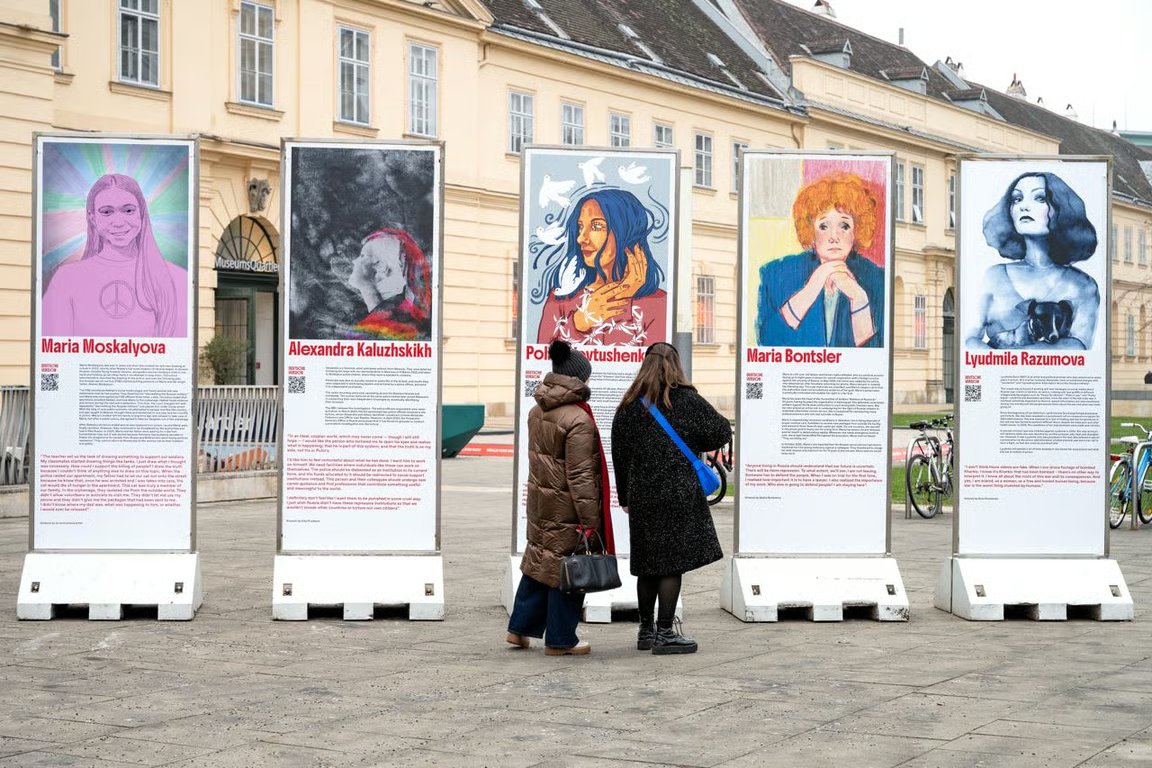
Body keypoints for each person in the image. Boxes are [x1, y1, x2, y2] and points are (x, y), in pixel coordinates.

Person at [611, 342, 731, 655]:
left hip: (642, 496)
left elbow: (619, 457)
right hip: (678, 494)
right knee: (670, 565)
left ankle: (645, 631)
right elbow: (721, 431)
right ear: (675, 366)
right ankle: (665, 632)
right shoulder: (686, 399)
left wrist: (625, 496)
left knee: (647, 563)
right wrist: (694, 440)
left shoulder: (627, 407)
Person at [507, 339, 612, 656]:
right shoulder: (578, 419)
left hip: (542, 501)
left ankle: (519, 629)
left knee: (539, 560)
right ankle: (561, 640)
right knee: (568, 570)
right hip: (567, 506)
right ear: (579, 378)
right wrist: (590, 521)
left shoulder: (537, 410)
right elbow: (580, 476)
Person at [965, 172, 1099, 350]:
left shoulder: (1083, 285)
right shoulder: (993, 276)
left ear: (1061, 209)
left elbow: (1078, 347)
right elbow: (969, 340)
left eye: (1040, 198)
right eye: (1017, 199)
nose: (1024, 207)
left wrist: (1008, 357)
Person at [42, 173, 186, 337]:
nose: (118, 222)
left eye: (128, 210)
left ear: (141, 212)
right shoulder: (66, 279)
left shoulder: (176, 278)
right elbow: (53, 345)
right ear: (93, 218)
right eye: (107, 212)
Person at [756, 172, 884, 348]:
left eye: (844, 226)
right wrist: (811, 288)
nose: (834, 237)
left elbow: (877, 357)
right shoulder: (777, 274)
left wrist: (859, 300)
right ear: (810, 230)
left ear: (857, 230)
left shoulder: (877, 280)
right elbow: (766, 342)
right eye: (824, 226)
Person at [533, 188, 667, 346]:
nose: (581, 238)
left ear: (625, 232)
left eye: (596, 226)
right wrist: (579, 322)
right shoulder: (560, 299)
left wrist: (623, 299)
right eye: (580, 226)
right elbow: (541, 358)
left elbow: (656, 360)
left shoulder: (658, 302)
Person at [345, 228, 432, 341]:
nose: (354, 261)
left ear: (380, 267)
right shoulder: (405, 314)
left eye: (362, 256)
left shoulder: (364, 333)